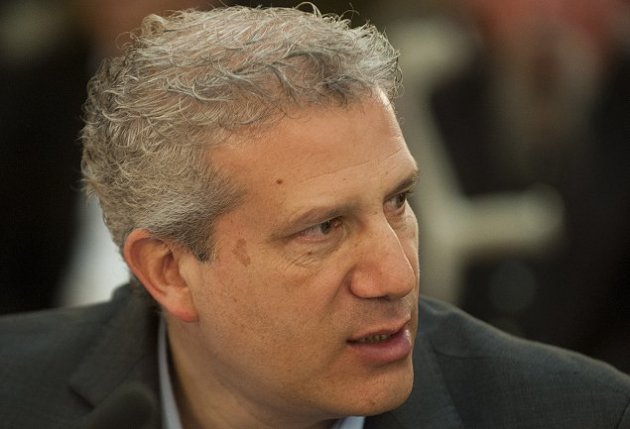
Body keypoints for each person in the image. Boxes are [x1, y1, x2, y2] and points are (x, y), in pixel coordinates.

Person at [0, 5, 629, 429]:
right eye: (322, 228)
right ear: (168, 270)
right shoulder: (15, 391)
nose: (397, 277)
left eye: (397, 202)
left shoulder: (582, 414)